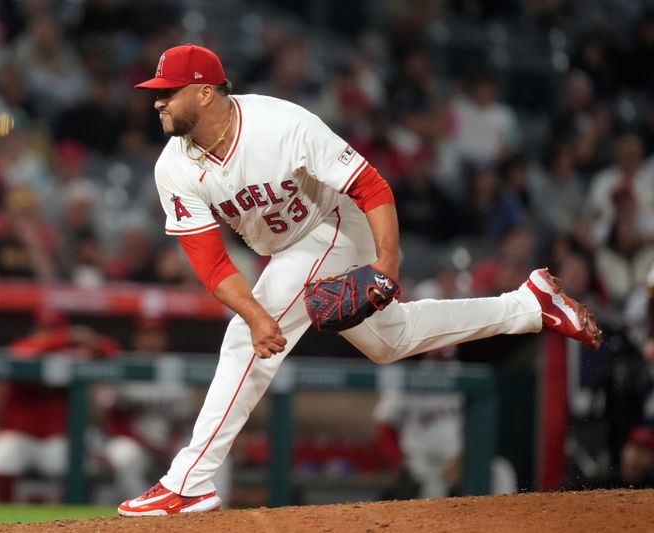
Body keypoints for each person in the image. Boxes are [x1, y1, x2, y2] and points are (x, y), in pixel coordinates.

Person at [117, 44, 603, 516]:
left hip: (337, 220)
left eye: (169, 90)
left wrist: (386, 268)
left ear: (204, 93)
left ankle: (188, 483)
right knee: (391, 341)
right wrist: (256, 312)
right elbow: (212, 265)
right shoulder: (174, 166)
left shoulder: (281, 125)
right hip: (285, 248)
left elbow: (371, 185)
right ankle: (530, 305)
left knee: (244, 342)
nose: (157, 100)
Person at [0, 307, 119, 502]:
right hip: (19, 435)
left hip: (55, 439)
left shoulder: (70, 356)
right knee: (2, 455)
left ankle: (68, 520)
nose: (47, 334)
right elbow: (20, 352)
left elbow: (111, 351)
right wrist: (64, 337)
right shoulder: (26, 348)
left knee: (77, 464)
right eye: (43, 329)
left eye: (53, 329)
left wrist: (90, 340)